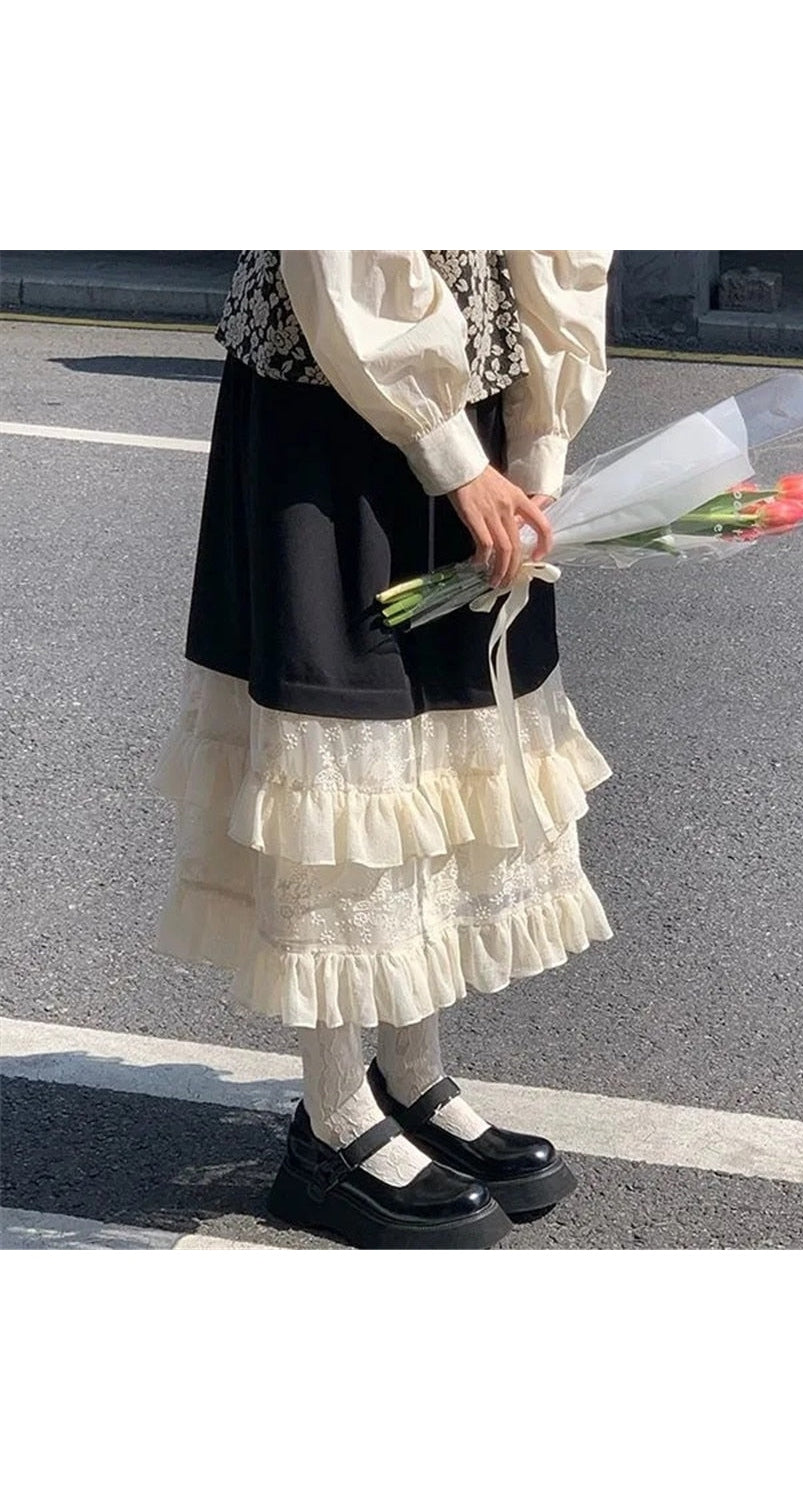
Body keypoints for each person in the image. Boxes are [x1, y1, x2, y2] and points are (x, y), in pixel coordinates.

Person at [151, 250, 615, 1249]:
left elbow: (561, 245)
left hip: (472, 405)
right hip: (330, 396)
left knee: (444, 747)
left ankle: (410, 1078)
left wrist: (535, 451)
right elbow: (347, 253)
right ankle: (331, 1116)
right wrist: (450, 455)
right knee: (341, 747)